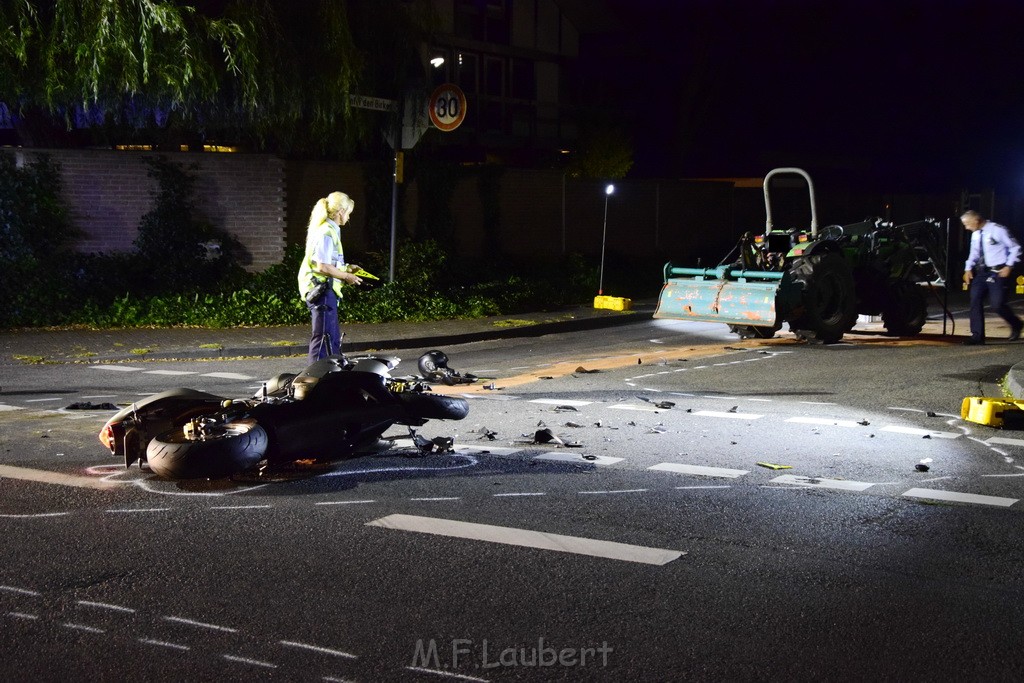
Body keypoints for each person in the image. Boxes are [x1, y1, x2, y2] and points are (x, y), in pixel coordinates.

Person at [298, 191, 363, 363]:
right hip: (321, 291)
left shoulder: (328, 230)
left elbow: (327, 262)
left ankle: (330, 379)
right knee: (322, 339)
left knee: (331, 339)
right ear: (341, 211)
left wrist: (346, 268)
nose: (348, 217)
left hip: (325, 291)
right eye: (348, 213)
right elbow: (322, 266)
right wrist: (346, 276)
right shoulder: (326, 232)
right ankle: (313, 382)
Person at [961, 209, 1023, 345]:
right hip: (982, 272)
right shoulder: (976, 234)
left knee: (997, 304)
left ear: (976, 221)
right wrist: (968, 268)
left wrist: (1009, 266)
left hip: (998, 271)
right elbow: (974, 253)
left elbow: (1015, 248)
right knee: (975, 300)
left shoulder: (998, 230)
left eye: (967, 224)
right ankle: (977, 336)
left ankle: (1016, 324)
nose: (966, 227)